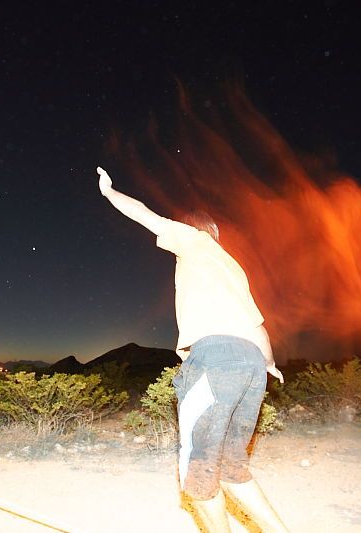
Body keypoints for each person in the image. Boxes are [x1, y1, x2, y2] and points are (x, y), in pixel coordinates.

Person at [97, 166, 288, 532]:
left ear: (203, 232)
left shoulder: (194, 242)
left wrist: (109, 192)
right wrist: (270, 365)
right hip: (251, 365)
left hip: (215, 361)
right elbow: (259, 327)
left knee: (196, 468)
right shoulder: (233, 268)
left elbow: (146, 216)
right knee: (232, 467)